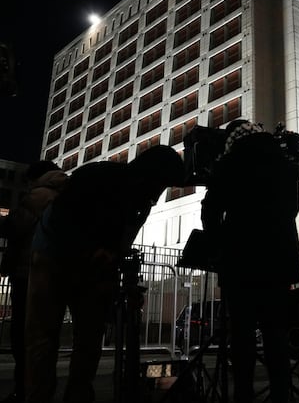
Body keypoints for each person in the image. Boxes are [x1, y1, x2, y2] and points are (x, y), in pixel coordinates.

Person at [24, 145, 184, 403]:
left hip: (90, 266)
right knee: (44, 338)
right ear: (150, 174)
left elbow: (120, 239)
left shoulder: (141, 197)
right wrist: (95, 254)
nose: (161, 190)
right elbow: (63, 223)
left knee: (88, 339)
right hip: (53, 257)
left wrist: (110, 264)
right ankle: (38, 397)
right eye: (162, 182)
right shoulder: (98, 177)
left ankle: (78, 396)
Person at [200, 119, 299, 403]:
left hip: (239, 259)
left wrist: (218, 243)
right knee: (275, 333)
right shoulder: (286, 165)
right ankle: (281, 395)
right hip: (278, 261)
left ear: (233, 139)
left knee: (242, 333)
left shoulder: (228, 163)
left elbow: (210, 209)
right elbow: (293, 208)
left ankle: (243, 394)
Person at [0, 160, 68, 403]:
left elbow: (16, 226)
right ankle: (40, 391)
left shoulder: (39, 195)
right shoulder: (64, 193)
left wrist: (0, 222)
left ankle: (25, 391)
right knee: (46, 336)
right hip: (56, 273)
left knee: (25, 337)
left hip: (30, 271)